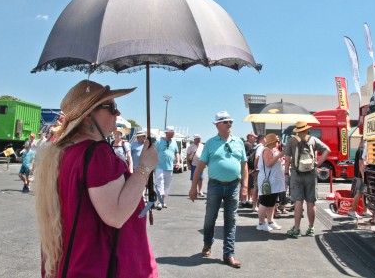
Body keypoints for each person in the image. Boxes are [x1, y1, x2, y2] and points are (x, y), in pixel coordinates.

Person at [33, 79, 159, 277]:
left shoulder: (62, 153)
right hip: (100, 267)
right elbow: (116, 215)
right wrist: (145, 167)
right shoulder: (97, 154)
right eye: (111, 107)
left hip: (74, 265)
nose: (118, 113)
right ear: (88, 117)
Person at [189, 111, 248, 269]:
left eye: (230, 121)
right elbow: (200, 166)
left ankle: (228, 254)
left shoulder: (239, 142)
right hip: (215, 185)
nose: (229, 124)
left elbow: (244, 165)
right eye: (225, 121)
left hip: (234, 185)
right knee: (210, 218)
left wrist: (245, 186)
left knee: (231, 220)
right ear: (217, 125)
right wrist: (193, 187)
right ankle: (207, 244)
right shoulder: (210, 143)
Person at [284, 121, 330, 238]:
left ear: (297, 130)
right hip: (310, 173)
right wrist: (318, 164)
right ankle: (310, 228)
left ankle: (297, 229)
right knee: (311, 201)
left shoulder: (291, 140)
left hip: (296, 173)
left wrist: (286, 173)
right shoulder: (313, 139)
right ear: (307, 129)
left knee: (298, 201)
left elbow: (287, 158)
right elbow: (327, 150)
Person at [256, 134, 285, 232]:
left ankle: (270, 221)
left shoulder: (272, 150)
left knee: (271, 203)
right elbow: (268, 164)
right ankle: (261, 223)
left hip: (274, 181)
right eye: (277, 141)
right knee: (264, 202)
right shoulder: (267, 150)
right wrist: (279, 156)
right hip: (268, 180)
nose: (278, 142)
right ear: (272, 142)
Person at [155, 125, 181, 209]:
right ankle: (159, 202)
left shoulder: (174, 142)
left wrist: (178, 162)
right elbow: (154, 152)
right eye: (171, 132)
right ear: (166, 133)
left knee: (167, 185)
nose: (173, 133)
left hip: (169, 167)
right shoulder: (158, 142)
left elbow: (177, 152)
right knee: (160, 184)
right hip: (159, 166)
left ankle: (162, 200)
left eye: (173, 132)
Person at [348, 137, 370, 219]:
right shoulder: (362, 150)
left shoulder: (360, 150)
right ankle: (352, 210)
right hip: (360, 175)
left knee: (363, 193)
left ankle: (365, 210)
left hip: (359, 175)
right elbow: (361, 165)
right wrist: (363, 176)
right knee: (359, 192)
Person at [241, 132, 257, 207]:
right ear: (250, 137)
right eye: (253, 137)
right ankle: (244, 200)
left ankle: (245, 200)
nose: (255, 138)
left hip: (247, 168)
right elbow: (249, 158)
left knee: (248, 184)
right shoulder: (248, 145)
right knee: (248, 184)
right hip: (247, 168)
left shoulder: (249, 145)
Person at [251, 134, 266, 212]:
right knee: (257, 188)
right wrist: (256, 167)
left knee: (256, 188)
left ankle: (255, 205)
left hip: (257, 170)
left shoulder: (256, 147)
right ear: (263, 139)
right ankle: (255, 205)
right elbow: (257, 157)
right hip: (258, 170)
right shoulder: (261, 147)